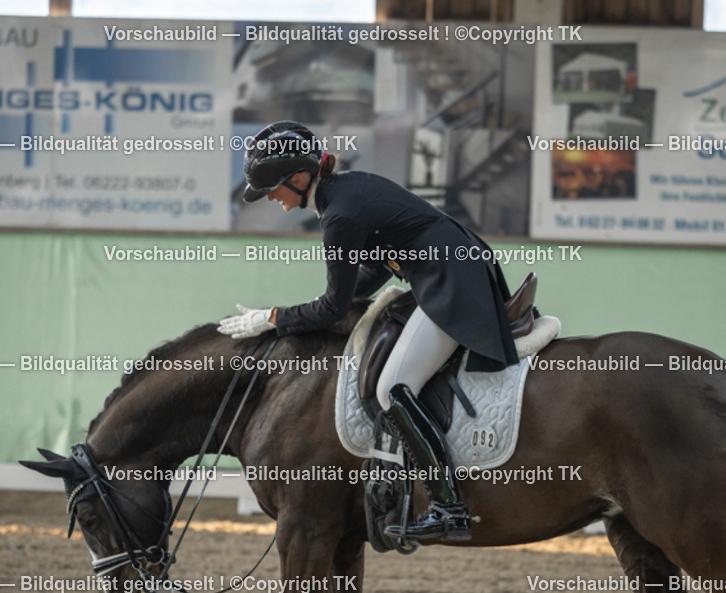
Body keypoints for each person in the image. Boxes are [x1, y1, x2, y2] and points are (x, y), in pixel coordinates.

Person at [218, 120, 518, 542]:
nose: (273, 200)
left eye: (274, 189)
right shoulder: (348, 189)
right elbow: (376, 266)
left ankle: (449, 506)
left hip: (451, 283)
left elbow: (331, 306)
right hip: (451, 271)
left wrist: (272, 317)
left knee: (393, 388)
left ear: (300, 178)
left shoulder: (338, 215)